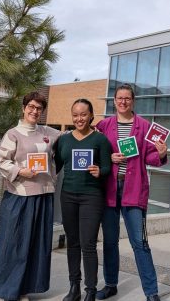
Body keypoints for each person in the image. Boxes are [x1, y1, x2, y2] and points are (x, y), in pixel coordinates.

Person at [95, 84, 168, 301]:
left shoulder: (144, 127)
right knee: (109, 241)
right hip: (109, 189)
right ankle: (110, 284)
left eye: (127, 98)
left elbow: (150, 158)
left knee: (140, 242)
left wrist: (162, 153)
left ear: (133, 101)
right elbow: (94, 152)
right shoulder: (104, 125)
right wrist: (108, 158)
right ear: (114, 100)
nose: (123, 102)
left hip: (133, 189)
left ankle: (151, 291)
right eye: (119, 98)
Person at [0, 92, 61, 301]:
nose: (34, 111)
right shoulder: (13, 134)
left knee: (35, 246)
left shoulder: (49, 133)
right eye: (31, 106)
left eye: (39, 108)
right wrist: (20, 171)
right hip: (19, 196)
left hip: (43, 194)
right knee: (12, 244)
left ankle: (22, 290)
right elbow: (1, 160)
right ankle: (1, 291)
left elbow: (71, 138)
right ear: (23, 108)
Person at [55, 99, 112, 301]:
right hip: (68, 195)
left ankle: (90, 290)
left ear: (91, 115)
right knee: (73, 243)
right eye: (76, 115)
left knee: (88, 244)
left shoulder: (100, 140)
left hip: (91, 197)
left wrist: (100, 171)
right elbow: (55, 166)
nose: (79, 118)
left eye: (83, 114)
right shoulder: (64, 140)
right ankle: (74, 288)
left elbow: (107, 167)